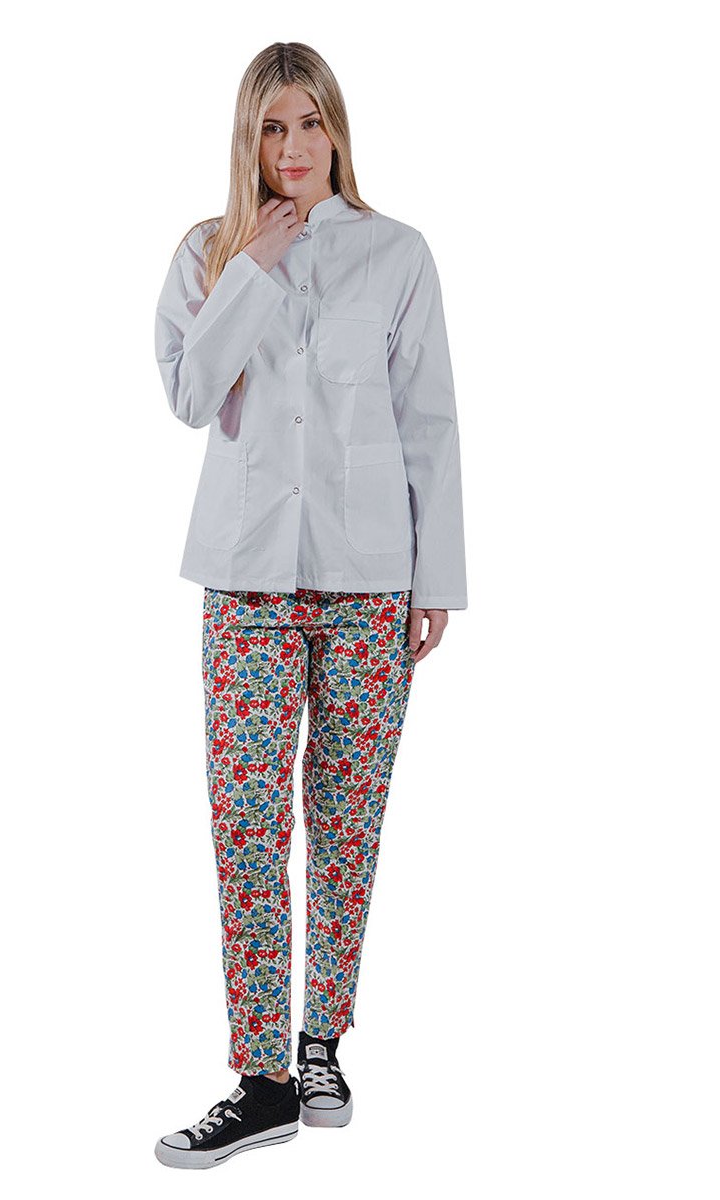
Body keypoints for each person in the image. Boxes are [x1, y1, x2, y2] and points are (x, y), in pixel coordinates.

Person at [152, 41, 468, 1169]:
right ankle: (263, 1077)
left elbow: (428, 419)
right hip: (244, 577)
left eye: (308, 123)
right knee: (246, 822)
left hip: (368, 581)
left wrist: (437, 581)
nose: (291, 148)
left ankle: (320, 1041)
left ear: (336, 128)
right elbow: (191, 394)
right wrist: (254, 267)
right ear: (248, 138)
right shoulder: (206, 253)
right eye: (270, 127)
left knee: (345, 817)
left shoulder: (396, 253)